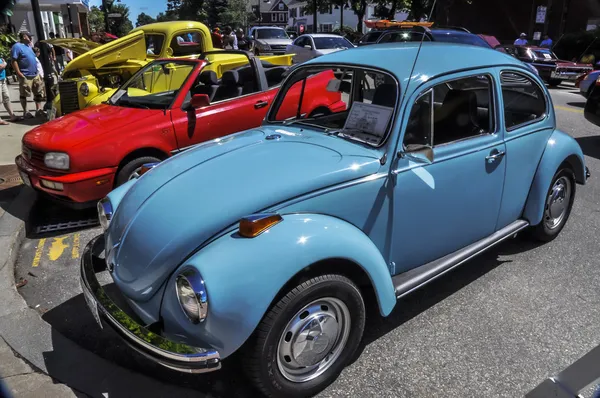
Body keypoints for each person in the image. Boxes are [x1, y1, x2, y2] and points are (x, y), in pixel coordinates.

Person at [11, 32, 45, 118]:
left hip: (35, 74)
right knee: (24, 94)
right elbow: (14, 60)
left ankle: (38, 109)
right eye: (29, 36)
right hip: (25, 75)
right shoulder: (17, 46)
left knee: (38, 92)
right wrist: (18, 73)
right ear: (25, 37)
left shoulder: (29, 47)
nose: (31, 38)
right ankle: (26, 111)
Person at [0, 57, 20, 124]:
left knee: (6, 97)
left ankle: (12, 115)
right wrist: (5, 63)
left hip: (2, 80)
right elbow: (1, 66)